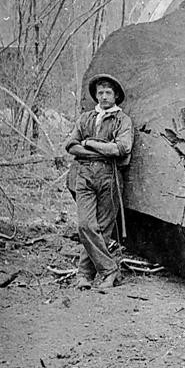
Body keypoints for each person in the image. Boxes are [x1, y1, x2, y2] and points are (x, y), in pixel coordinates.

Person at [65, 74, 134, 291]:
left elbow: (121, 149)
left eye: (108, 93)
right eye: (100, 92)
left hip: (109, 177)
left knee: (102, 229)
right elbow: (71, 145)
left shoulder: (122, 120)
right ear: (95, 95)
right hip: (84, 176)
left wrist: (89, 143)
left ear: (115, 96)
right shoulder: (85, 118)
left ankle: (84, 275)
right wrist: (101, 149)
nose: (103, 97)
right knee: (85, 225)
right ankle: (110, 270)